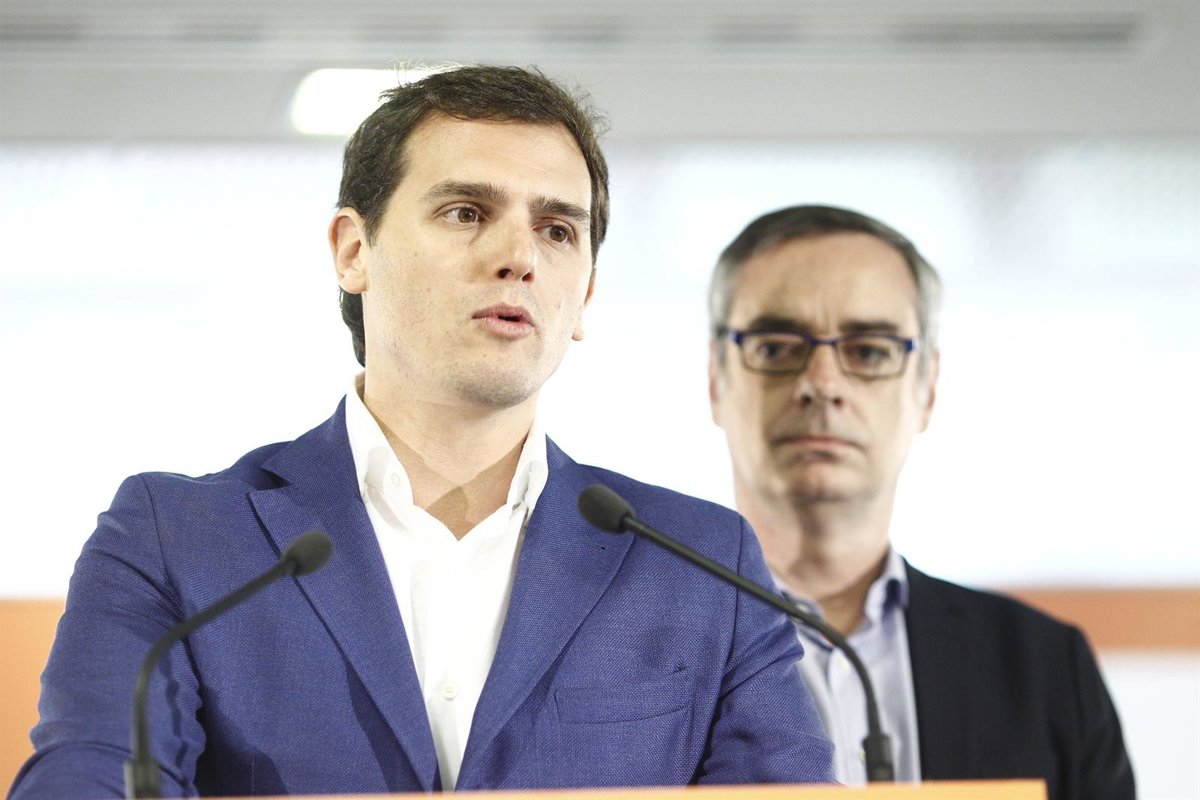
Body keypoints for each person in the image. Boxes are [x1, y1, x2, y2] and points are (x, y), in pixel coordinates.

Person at [10, 68, 834, 798]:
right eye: (467, 212)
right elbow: (88, 777)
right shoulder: (176, 541)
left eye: (557, 229)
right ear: (353, 251)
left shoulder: (703, 565)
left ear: (584, 293)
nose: (519, 256)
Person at [706, 205, 1135, 799]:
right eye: (777, 348)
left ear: (927, 389)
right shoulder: (625, 657)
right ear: (716, 379)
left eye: (869, 351)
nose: (822, 384)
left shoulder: (1046, 667)